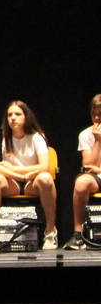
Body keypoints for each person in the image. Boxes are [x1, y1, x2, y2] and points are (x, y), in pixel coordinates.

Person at [0, 100, 57, 250]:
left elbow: (44, 166)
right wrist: (20, 176)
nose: (13, 118)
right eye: (10, 115)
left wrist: (14, 169)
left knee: (46, 178)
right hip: (12, 183)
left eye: (17, 114)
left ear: (26, 117)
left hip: (33, 182)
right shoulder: (3, 137)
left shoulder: (37, 137)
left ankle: (50, 231)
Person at [68, 94, 101, 250]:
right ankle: (78, 234)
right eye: (94, 114)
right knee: (81, 182)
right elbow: (88, 165)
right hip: (96, 177)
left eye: (100, 114)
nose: (96, 118)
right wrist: (98, 140)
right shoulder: (85, 135)